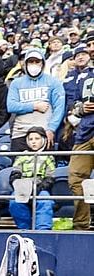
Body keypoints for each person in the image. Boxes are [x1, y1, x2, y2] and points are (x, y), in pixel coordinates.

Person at [6, 48, 66, 152]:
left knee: (46, 166)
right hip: (20, 132)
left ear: (42, 63)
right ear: (25, 64)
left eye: (37, 61)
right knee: (18, 166)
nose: (34, 64)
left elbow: (59, 108)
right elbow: (11, 106)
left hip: (44, 131)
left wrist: (51, 128)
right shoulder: (16, 83)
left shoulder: (53, 82)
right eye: (31, 61)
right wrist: (34, 106)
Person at [8, 126, 55, 230]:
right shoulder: (21, 156)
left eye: (37, 139)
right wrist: (19, 185)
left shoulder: (49, 157)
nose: (33, 142)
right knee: (14, 201)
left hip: (41, 188)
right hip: (23, 188)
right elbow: (15, 174)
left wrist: (39, 187)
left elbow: (50, 177)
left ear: (43, 140)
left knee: (45, 201)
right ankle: (25, 229)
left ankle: (43, 231)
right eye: (31, 139)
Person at [66, 54, 94, 230]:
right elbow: (73, 105)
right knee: (75, 179)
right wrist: (80, 108)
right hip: (85, 132)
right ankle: (81, 225)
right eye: (89, 45)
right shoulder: (84, 76)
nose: (91, 48)